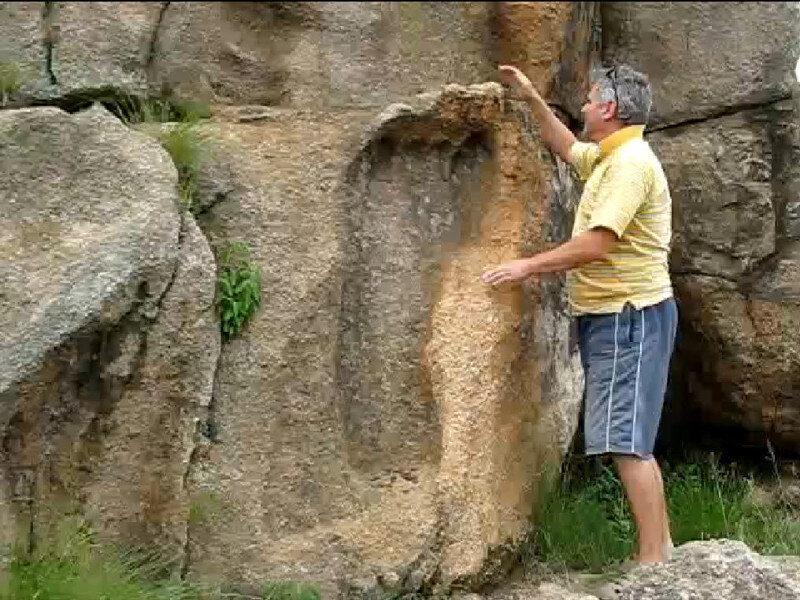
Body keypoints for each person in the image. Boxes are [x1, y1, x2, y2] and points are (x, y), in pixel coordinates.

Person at [481, 63, 677, 564]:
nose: (584, 106)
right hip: (619, 315)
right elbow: (567, 146)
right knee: (631, 438)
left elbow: (596, 243)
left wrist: (528, 265)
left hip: (627, 316)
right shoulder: (610, 156)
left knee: (626, 441)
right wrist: (529, 96)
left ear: (609, 109)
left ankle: (652, 563)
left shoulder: (630, 164)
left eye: (590, 100)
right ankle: (663, 550)